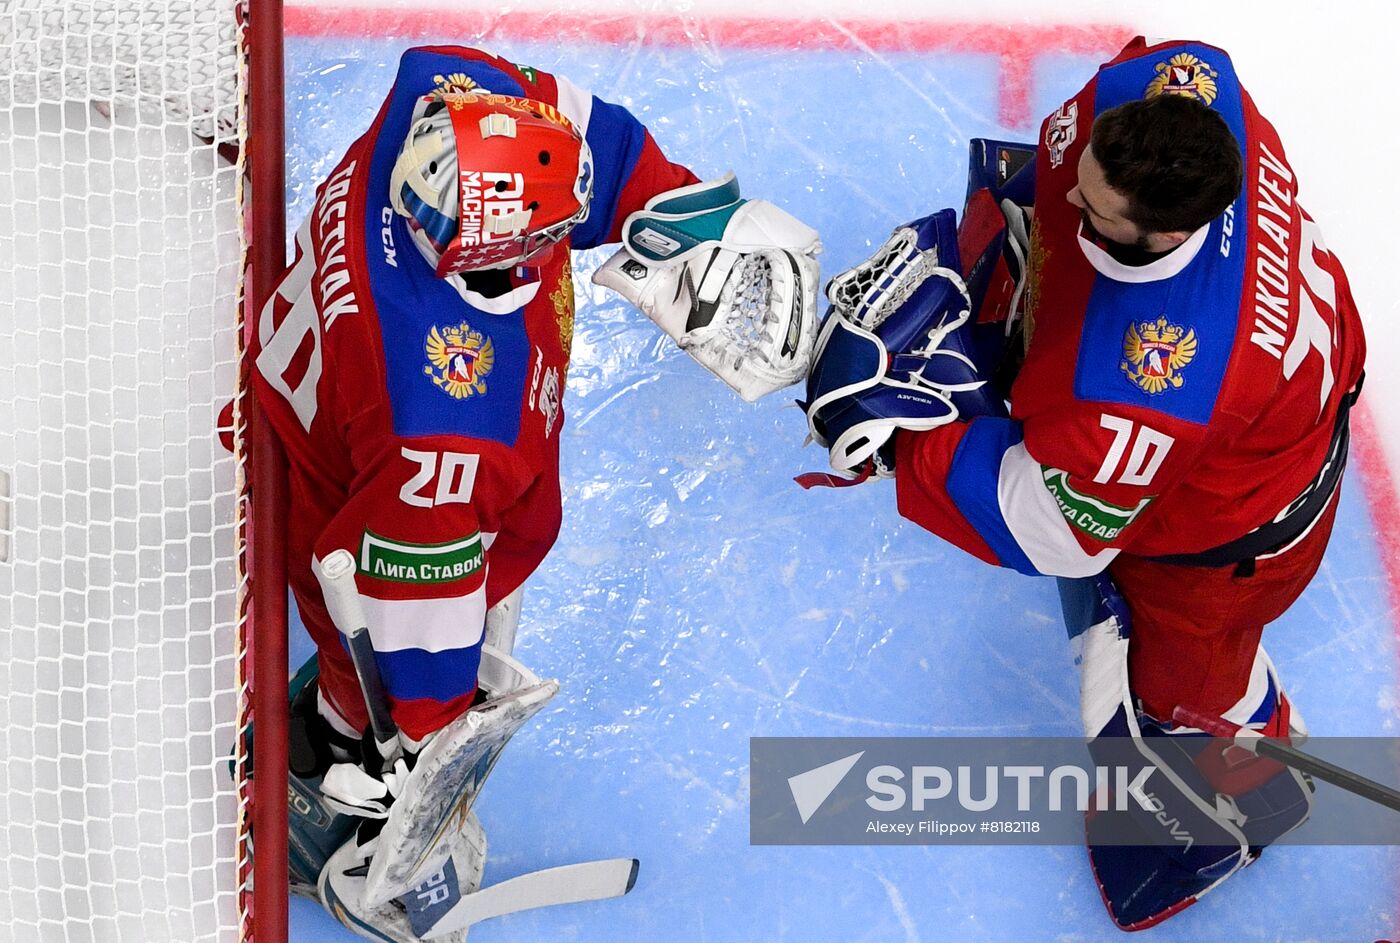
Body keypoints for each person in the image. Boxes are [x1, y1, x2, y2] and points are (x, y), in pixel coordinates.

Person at [251, 45, 821, 941]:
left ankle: (352, 732)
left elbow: (582, 133)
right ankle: (338, 764)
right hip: (349, 490)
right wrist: (429, 734)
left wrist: (667, 208)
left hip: (341, 413)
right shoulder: (446, 424)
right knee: (359, 668)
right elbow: (412, 600)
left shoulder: (436, 100)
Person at [802, 37, 1365, 929]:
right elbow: (1052, 178)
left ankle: (1255, 796)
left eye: (1097, 207)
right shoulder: (1182, 80)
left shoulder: (1150, 383)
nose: (1069, 195)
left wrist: (900, 447)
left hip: (1240, 526)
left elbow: (1056, 527)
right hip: (1271, 403)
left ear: (1168, 233)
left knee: (1184, 694)